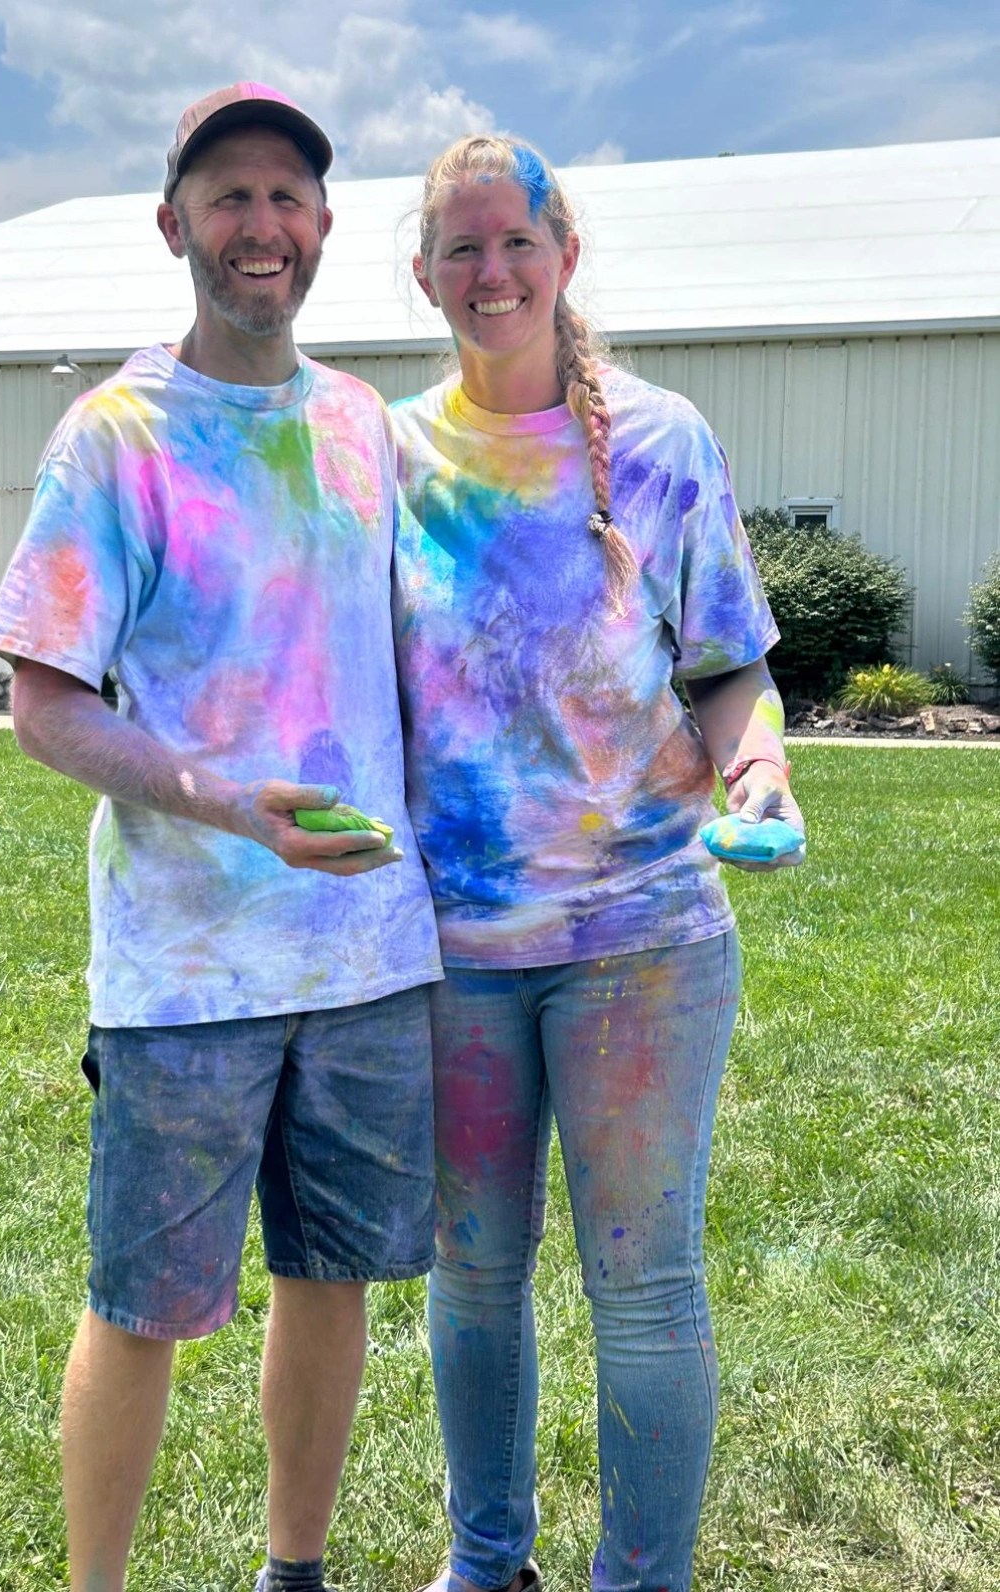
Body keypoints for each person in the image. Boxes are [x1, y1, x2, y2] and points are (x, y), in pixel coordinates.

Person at [0, 83, 442, 1592]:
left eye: (288, 198)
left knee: (332, 1281)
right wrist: (222, 804)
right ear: (174, 225)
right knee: (141, 1307)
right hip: (185, 973)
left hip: (367, 953)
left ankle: (290, 1573)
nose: (263, 227)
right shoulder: (114, 435)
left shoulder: (365, 423)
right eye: (230, 198)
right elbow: (43, 703)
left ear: (323, 228)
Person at [389, 135, 806, 1592]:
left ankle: (641, 1578)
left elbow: (729, 669)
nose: (488, 270)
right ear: (424, 273)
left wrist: (755, 764)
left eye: (515, 241)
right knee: (473, 1279)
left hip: (641, 936)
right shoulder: (386, 455)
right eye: (460, 247)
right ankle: (484, 1560)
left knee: (642, 1291)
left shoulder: (657, 440)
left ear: (563, 256)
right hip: (450, 951)